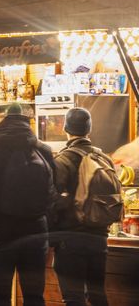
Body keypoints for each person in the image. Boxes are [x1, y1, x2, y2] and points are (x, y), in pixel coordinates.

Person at [0, 103, 55, 306]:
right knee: (34, 297)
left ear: (3, 121)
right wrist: (47, 228)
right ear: (28, 122)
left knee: (0, 298)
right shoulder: (43, 150)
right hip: (36, 232)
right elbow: (53, 194)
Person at [52, 107, 114, 306]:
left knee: (73, 298)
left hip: (71, 239)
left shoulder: (63, 160)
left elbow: (52, 200)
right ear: (89, 129)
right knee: (97, 295)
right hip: (99, 237)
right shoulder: (104, 158)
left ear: (65, 128)